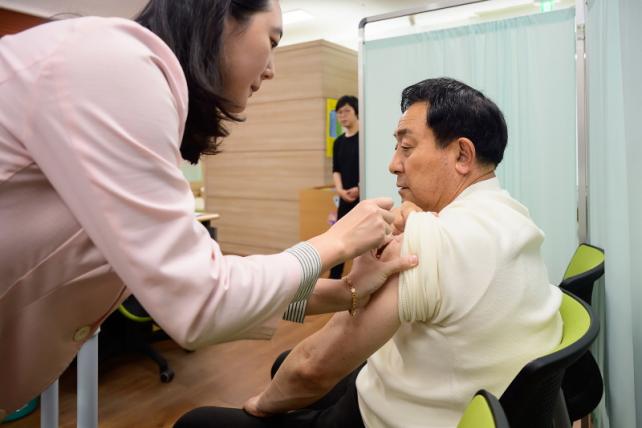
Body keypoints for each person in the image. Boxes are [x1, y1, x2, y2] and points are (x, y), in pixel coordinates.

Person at [0, 0, 418, 415]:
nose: (271, 69)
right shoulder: (116, 66)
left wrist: (347, 291)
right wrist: (333, 243)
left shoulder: (124, 75)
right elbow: (203, 296)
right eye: (272, 41)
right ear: (220, 16)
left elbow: (199, 280)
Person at [173, 77, 564, 427]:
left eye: (406, 147)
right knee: (287, 364)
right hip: (468, 401)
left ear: (463, 155)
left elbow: (311, 368)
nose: (393, 164)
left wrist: (260, 404)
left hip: (384, 416)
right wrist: (359, 280)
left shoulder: (431, 240)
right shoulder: (514, 217)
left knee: (199, 421)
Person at [329, 95, 360, 279]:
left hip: (362, 197)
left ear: (356, 112)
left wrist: (360, 188)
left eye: (347, 111)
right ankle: (334, 279)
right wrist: (340, 190)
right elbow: (336, 170)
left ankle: (360, 279)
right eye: (339, 112)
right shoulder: (338, 142)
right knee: (338, 239)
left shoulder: (364, 138)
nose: (342, 116)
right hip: (344, 199)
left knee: (363, 240)